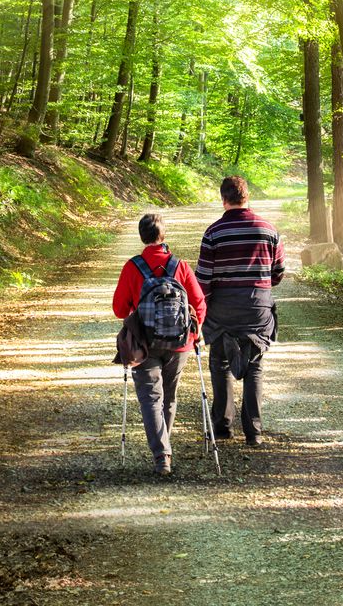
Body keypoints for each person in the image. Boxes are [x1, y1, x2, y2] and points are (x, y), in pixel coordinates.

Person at [112, 212, 206, 476]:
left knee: (151, 397)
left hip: (144, 344)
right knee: (169, 396)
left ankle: (162, 455)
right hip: (179, 343)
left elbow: (119, 309)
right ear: (163, 235)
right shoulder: (181, 266)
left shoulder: (133, 267)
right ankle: (164, 446)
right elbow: (199, 302)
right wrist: (195, 332)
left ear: (142, 236)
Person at [196, 175, 284, 446]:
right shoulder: (269, 230)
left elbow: (203, 280)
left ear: (223, 199)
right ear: (247, 197)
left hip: (222, 307)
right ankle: (254, 432)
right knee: (255, 366)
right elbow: (278, 273)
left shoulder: (213, 232)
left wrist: (204, 310)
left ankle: (222, 427)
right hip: (257, 306)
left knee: (220, 363)